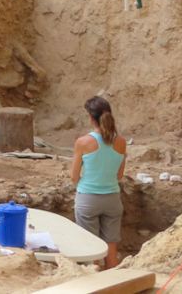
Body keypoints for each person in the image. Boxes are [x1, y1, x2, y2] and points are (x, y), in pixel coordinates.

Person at [71, 96, 127, 268]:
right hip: (113, 200)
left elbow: (74, 177)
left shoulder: (83, 142)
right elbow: (119, 176)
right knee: (111, 249)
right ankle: (114, 281)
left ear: (91, 117)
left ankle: (96, 279)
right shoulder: (121, 142)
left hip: (88, 199)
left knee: (92, 249)